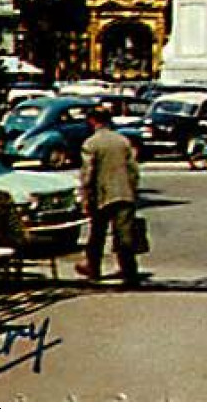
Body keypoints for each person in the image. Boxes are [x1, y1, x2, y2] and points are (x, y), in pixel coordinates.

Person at [77, 106, 142, 286]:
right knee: (124, 236)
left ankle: (94, 270)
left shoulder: (91, 144)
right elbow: (134, 170)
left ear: (92, 121)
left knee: (97, 236)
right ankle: (129, 272)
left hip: (102, 196)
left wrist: (85, 198)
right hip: (124, 193)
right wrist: (133, 190)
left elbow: (87, 174)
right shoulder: (123, 141)